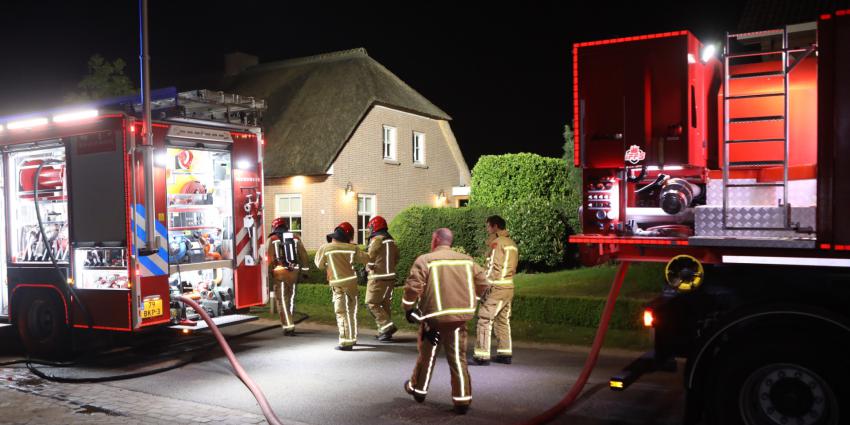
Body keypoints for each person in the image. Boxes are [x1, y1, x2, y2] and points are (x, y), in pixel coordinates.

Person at [401, 228, 488, 414]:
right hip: (459, 319)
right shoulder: (467, 260)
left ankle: (418, 389)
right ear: (450, 241)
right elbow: (483, 283)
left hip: (433, 320)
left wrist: (408, 309)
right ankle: (462, 400)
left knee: (427, 356)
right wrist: (474, 300)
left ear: (436, 239)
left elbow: (412, 288)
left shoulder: (425, 260)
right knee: (458, 359)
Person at [315, 222, 369, 350]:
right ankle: (353, 337)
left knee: (341, 312)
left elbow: (319, 265)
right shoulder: (352, 248)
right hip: (351, 283)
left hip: (337, 284)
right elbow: (367, 258)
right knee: (351, 311)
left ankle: (345, 341)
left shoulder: (325, 248)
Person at [473, 215, 519, 365]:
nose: (487, 229)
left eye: (488, 226)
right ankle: (505, 353)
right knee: (502, 320)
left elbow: (493, 267)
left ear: (495, 226)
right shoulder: (511, 243)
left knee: (484, 319)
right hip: (509, 286)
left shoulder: (497, 243)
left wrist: (483, 286)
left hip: (497, 287)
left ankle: (481, 355)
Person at [267, 217, 309, 335]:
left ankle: (288, 326)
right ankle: (289, 322)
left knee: (282, 301)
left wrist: (268, 273)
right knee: (290, 299)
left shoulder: (272, 239)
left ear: (275, 227)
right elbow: (304, 255)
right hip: (294, 272)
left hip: (280, 273)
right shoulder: (295, 237)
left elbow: (268, 258)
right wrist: (305, 271)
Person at [364, 216, 400, 341]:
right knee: (384, 304)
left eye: (370, 227)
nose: (370, 230)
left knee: (371, 303)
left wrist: (368, 267)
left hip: (377, 277)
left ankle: (387, 326)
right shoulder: (392, 241)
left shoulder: (376, 240)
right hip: (390, 278)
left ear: (375, 226)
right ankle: (384, 332)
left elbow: (370, 257)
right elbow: (396, 258)